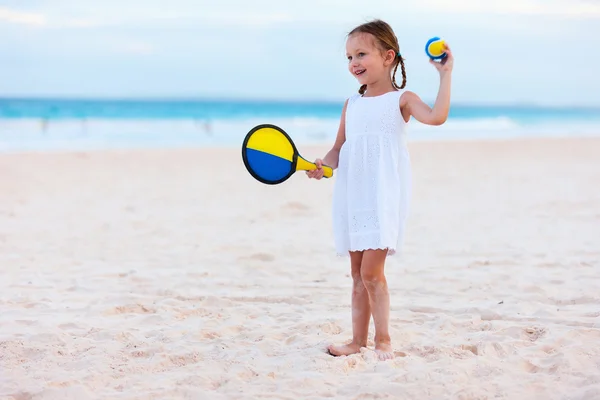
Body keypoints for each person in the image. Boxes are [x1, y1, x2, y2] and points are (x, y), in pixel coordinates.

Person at [306, 19, 453, 360]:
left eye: (361, 54)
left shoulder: (402, 100)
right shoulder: (352, 104)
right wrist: (322, 167)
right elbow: (338, 149)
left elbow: (436, 117)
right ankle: (358, 342)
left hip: (381, 197)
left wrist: (445, 75)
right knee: (356, 274)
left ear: (388, 57)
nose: (353, 62)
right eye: (348, 57)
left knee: (373, 273)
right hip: (353, 196)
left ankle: (383, 339)